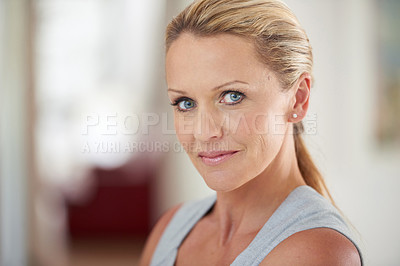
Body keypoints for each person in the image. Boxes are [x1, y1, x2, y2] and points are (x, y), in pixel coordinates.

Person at [140, 0, 363, 265]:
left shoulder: (315, 251)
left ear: (298, 99)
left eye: (232, 96)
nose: (203, 132)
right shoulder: (171, 229)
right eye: (185, 103)